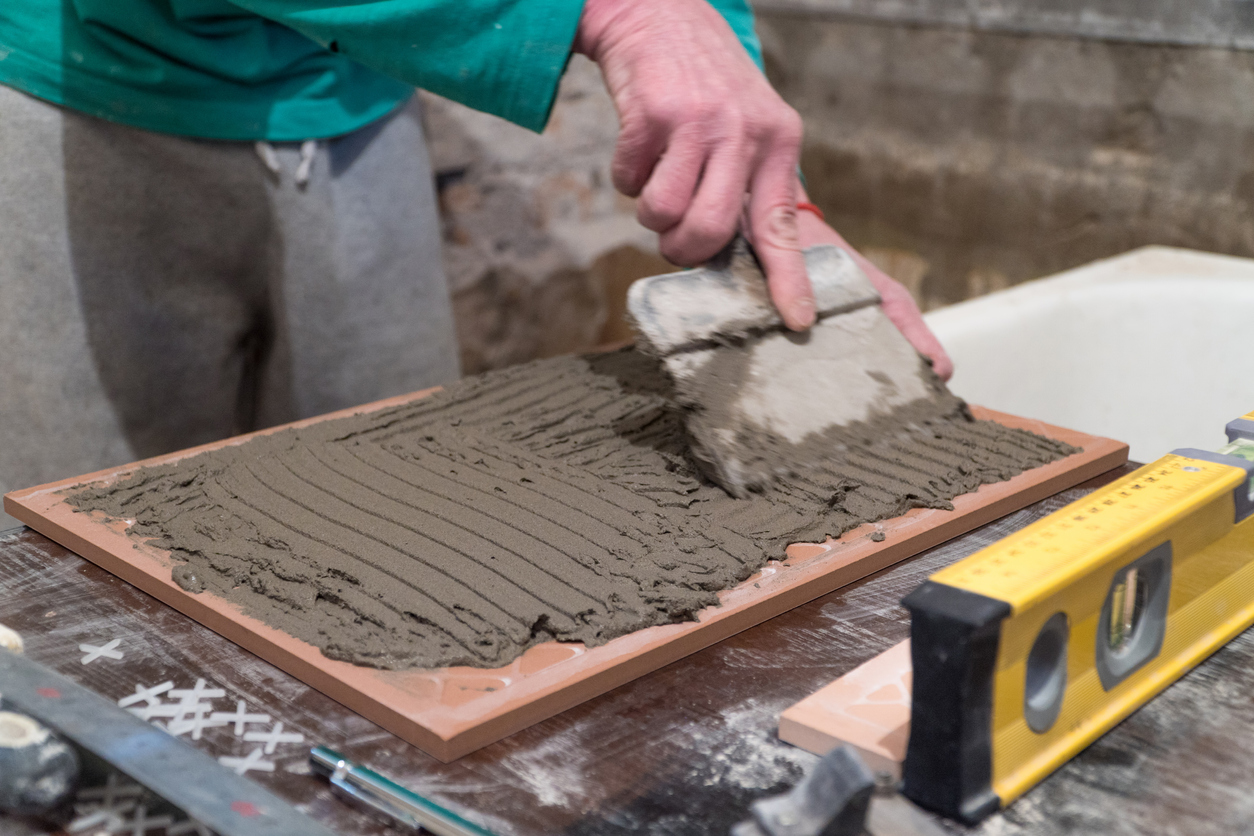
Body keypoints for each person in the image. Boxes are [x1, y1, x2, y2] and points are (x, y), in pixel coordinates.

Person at [0, 0, 951, 512]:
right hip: (88, 86)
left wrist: (758, 186)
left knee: (383, 518)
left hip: (353, 95)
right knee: (81, 557)